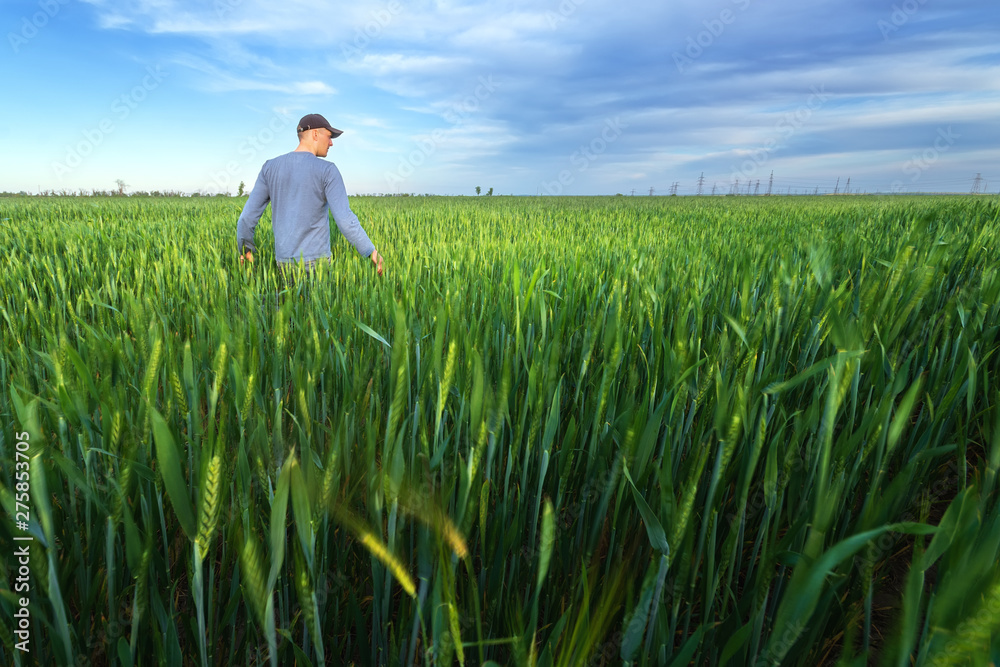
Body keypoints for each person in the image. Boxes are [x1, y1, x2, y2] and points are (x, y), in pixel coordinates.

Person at [236, 113, 384, 277]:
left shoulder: (269, 167)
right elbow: (344, 218)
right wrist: (370, 251)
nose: (331, 143)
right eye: (328, 136)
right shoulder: (328, 170)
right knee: (316, 303)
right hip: (316, 263)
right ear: (315, 134)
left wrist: (245, 248)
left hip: (283, 261)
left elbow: (247, 217)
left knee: (289, 302)